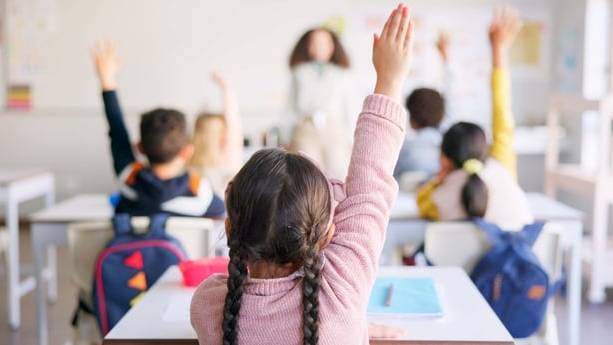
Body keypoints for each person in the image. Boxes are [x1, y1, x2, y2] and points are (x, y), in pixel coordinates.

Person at [190, 4, 414, 344]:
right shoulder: (344, 292)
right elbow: (370, 188)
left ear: (230, 227)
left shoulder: (208, 306)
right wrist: (390, 78)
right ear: (326, 237)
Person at [416, 6, 532, 227]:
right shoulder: (501, 165)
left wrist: (439, 179)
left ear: (443, 159)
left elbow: (420, 199)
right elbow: (502, 111)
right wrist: (498, 50)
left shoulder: (437, 199)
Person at [92, 41, 224, 218]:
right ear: (187, 151)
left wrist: (107, 81)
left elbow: (117, 131)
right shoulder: (200, 193)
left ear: (139, 148)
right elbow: (223, 212)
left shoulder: (129, 179)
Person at [285, 26, 356, 179]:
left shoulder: (342, 74)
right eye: (314, 43)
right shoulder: (299, 72)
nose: (319, 47)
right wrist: (285, 138)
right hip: (305, 129)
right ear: (307, 46)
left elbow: (349, 108)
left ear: (332, 47)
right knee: (307, 175)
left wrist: (351, 140)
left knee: (338, 173)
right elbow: (289, 107)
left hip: (334, 130)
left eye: (324, 43)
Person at [394, 32, 452, 184]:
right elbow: (452, 94)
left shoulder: (402, 152)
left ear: (412, 120)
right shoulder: (449, 151)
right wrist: (445, 59)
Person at [190, 72, 244, 196]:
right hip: (224, 213)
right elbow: (233, 121)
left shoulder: (189, 160)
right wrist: (225, 87)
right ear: (221, 134)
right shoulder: (228, 158)